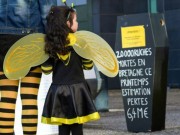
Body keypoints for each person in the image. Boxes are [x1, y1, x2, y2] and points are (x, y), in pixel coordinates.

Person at [41, 5, 100, 135]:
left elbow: (46, 69)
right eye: (76, 20)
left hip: (58, 91)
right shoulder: (80, 42)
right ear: (68, 23)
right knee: (77, 126)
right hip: (78, 89)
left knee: (63, 126)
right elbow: (88, 65)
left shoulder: (50, 44)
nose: (77, 23)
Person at [0, 1, 57, 135]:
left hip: (4, 39)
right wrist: (52, 41)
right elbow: (47, 10)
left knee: (7, 98)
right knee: (29, 98)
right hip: (32, 40)